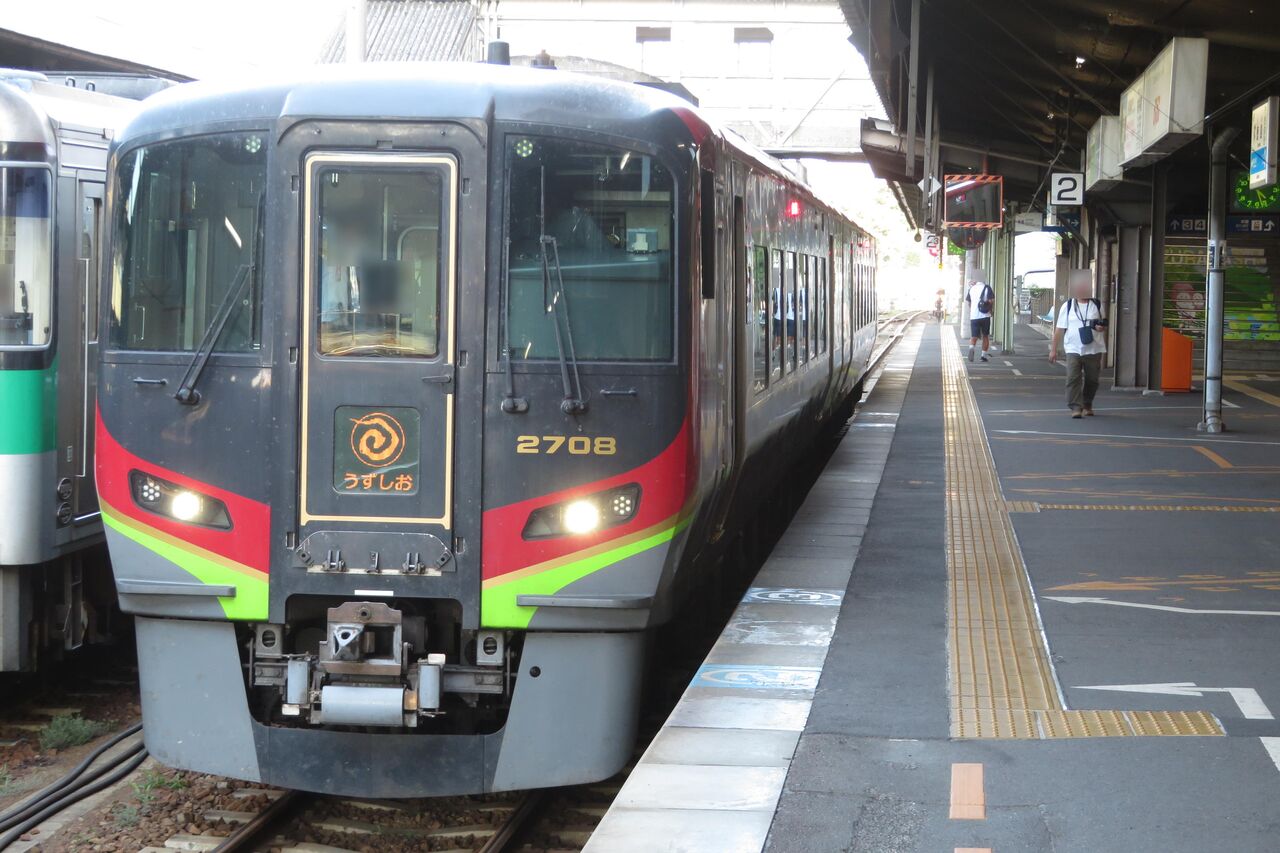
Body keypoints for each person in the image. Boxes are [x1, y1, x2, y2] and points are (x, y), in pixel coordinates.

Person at [1050, 270, 1108, 418]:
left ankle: (1087, 403)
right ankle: (1076, 407)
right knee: (1073, 377)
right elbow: (1059, 329)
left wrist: (1101, 327)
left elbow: (1102, 324)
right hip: (1073, 348)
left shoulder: (1096, 305)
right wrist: (1053, 349)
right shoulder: (1068, 306)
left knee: (1092, 379)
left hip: (1094, 348)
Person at [964, 274, 994, 361]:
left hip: (974, 316)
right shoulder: (987, 288)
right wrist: (990, 310)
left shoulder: (972, 289)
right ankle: (983, 356)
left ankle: (971, 348)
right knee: (985, 336)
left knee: (974, 336)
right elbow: (991, 300)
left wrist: (973, 310)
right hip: (985, 315)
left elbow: (969, 303)